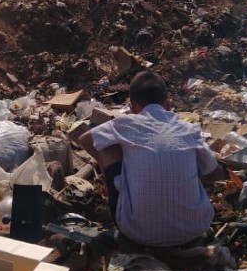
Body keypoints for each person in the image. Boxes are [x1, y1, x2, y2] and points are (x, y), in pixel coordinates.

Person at [79, 71, 225, 248]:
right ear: (169, 104)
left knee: (107, 147)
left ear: (132, 107)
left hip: (138, 233)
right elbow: (214, 173)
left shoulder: (125, 124)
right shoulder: (189, 130)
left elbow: (85, 139)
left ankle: (123, 209)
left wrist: (113, 167)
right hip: (194, 230)